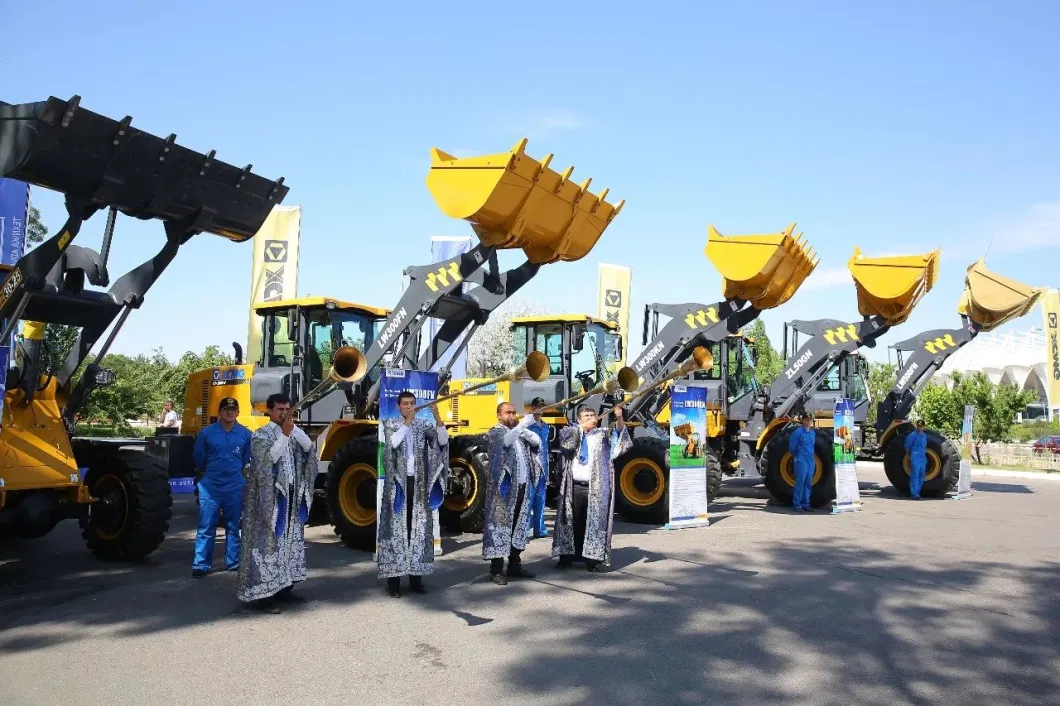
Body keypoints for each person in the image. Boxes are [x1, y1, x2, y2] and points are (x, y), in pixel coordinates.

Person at [237, 393, 317, 614]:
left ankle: (285, 588)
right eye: (280, 409)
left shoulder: (291, 431)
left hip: (290, 499)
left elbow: (310, 448)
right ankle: (264, 595)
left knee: (288, 545)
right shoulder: (261, 435)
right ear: (269, 411)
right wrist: (284, 435)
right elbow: (268, 461)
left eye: (288, 409)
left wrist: (293, 431)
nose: (284, 413)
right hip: (269, 501)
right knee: (268, 546)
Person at [378, 391, 449, 597]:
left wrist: (437, 417)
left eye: (412, 404)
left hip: (418, 484)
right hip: (398, 486)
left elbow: (442, 441)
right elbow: (393, 444)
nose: (410, 407)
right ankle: (394, 581)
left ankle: (416, 578)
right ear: (399, 406)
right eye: (405, 404)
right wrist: (407, 422)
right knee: (396, 530)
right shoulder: (390, 423)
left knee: (417, 529)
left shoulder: (422, 425)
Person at [552, 404, 631, 571]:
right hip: (573, 486)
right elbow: (565, 443)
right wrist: (582, 428)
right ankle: (566, 557)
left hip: (595, 487)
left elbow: (620, 438)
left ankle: (591, 559)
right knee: (572, 521)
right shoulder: (572, 432)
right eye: (586, 416)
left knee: (593, 523)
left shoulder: (603, 435)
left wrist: (618, 417)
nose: (590, 418)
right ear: (579, 420)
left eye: (592, 415)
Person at [191, 397, 251, 578]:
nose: (229, 412)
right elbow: (199, 457)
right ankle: (201, 565)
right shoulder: (207, 433)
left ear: (238, 412)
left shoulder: (245, 434)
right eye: (226, 409)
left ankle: (233, 562)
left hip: (234, 485)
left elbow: (246, 457)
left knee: (233, 526)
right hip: (211, 486)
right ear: (220, 412)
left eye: (233, 409)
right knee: (206, 526)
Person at [483, 401, 540, 585]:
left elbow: (536, 441)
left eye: (514, 412)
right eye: (508, 412)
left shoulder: (518, 433)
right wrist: (523, 423)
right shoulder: (495, 432)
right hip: (503, 490)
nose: (512, 415)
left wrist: (523, 427)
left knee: (518, 526)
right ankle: (496, 569)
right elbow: (504, 443)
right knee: (500, 528)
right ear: (498, 415)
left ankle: (514, 565)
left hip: (521, 487)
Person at [526, 397, 550, 538]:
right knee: (528, 499)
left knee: (541, 499)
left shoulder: (546, 426)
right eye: (537, 407)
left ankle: (539, 529)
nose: (539, 410)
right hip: (531, 466)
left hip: (543, 467)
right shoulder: (528, 425)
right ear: (532, 408)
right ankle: (526, 531)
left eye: (542, 407)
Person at [788, 413, 816, 512]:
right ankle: (797, 504)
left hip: (810, 460)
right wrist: (797, 457)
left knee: (808, 482)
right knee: (800, 482)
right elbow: (792, 447)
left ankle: (806, 504)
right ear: (802, 420)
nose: (808, 421)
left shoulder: (812, 433)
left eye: (810, 420)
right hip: (801, 460)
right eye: (807, 419)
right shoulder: (798, 432)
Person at [904, 419, 928, 500]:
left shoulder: (924, 435)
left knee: (921, 475)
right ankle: (914, 494)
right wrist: (910, 456)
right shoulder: (912, 435)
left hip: (922, 458)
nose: (920, 428)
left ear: (924, 427)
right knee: (915, 475)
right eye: (918, 426)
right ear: (917, 426)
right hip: (915, 457)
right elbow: (907, 446)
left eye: (921, 426)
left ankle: (917, 492)